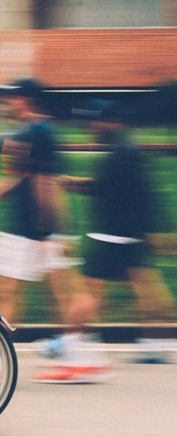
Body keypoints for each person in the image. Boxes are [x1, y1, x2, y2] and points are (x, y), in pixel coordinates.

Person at [0, 77, 92, 385]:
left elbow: (45, 182)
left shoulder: (37, 132)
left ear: (27, 100)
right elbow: (18, 177)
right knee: (11, 292)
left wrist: (47, 232)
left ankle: (75, 360)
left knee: (37, 293)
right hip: (31, 229)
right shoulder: (36, 132)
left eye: (11, 98)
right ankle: (75, 359)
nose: (6, 103)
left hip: (32, 230)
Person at [50, 99, 177, 370]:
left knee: (88, 292)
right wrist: (155, 231)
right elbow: (138, 193)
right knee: (149, 289)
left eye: (93, 123)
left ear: (108, 121)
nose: (90, 128)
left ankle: (70, 343)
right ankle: (157, 345)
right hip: (130, 235)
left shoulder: (121, 152)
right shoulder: (127, 148)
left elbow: (114, 191)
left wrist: (70, 183)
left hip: (110, 235)